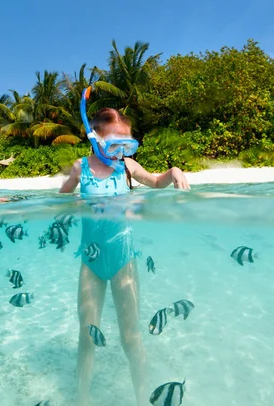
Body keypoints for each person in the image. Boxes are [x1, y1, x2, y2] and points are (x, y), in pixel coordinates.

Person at [59, 87, 189, 406]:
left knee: (131, 337)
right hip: (90, 265)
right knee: (87, 336)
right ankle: (82, 399)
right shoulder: (80, 168)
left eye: (127, 145)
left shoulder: (127, 167)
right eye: (115, 144)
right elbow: (60, 199)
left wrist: (173, 172)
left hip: (124, 263)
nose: (121, 152)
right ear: (95, 138)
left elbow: (156, 181)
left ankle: (143, 397)